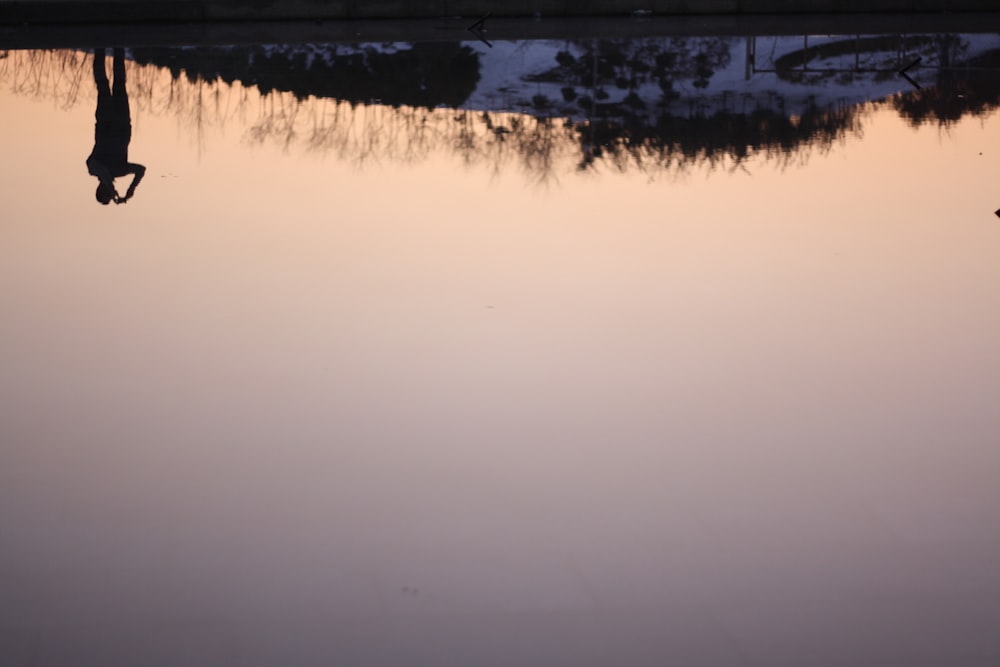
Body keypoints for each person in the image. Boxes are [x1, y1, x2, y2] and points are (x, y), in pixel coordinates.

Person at [87, 48, 145, 205]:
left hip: (106, 121)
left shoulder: (93, 168)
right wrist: (131, 189)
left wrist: (111, 189)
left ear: (100, 188)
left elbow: (103, 171)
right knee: (119, 82)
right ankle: (118, 45)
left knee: (103, 85)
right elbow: (141, 170)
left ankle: (100, 47)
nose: (109, 190)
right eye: (109, 194)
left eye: (105, 192)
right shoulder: (120, 170)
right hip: (122, 122)